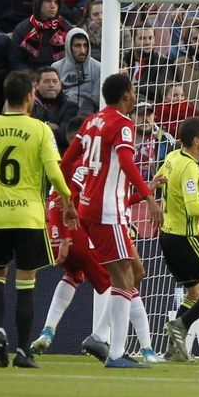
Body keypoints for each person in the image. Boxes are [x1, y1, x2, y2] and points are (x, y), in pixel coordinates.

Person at [64, 73, 161, 367]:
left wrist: (68, 201)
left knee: (136, 272)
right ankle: (116, 352)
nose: (135, 95)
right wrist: (149, 198)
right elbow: (127, 162)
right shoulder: (122, 124)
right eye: (133, 90)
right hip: (108, 211)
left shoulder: (91, 122)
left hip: (90, 209)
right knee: (124, 279)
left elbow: (66, 162)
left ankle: (99, 336)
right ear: (126, 95)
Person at [0, 70, 76, 368]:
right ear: (30, 96)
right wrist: (68, 200)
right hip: (28, 216)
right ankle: (23, 351)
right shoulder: (41, 130)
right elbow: (54, 172)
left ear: (7, 97)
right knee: (26, 282)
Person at [152, 114, 199, 362]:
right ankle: (180, 325)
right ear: (196, 140)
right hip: (186, 238)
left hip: (168, 237)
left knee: (195, 292)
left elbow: (159, 181)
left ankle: (173, 351)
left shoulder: (173, 156)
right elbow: (193, 208)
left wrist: (196, 181)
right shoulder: (190, 166)